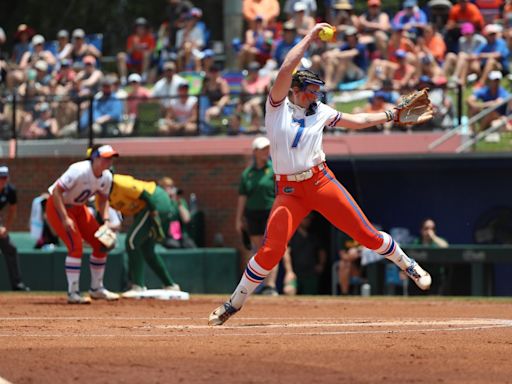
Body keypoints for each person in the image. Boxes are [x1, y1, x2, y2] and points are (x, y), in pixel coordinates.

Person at [209, 23, 432, 326]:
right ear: (295, 90)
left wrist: (390, 114)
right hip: (288, 191)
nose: (314, 95)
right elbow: (287, 68)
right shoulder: (277, 108)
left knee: (365, 234)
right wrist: (310, 37)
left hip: (319, 181)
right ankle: (233, 304)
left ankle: (409, 265)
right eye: (310, 90)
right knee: (271, 250)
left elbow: (357, 120)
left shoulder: (321, 110)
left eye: (317, 91)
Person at [46, 144, 120, 304]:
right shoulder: (79, 170)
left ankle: (96, 289)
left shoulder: (107, 176)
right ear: (95, 158)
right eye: (105, 158)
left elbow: (103, 201)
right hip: (58, 206)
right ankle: (73, 293)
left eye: (111, 158)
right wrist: (65, 218)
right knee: (76, 246)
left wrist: (106, 221)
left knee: (101, 244)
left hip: (79, 208)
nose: (109, 161)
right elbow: (56, 192)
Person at [106, 173, 182, 298]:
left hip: (155, 201)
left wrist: (155, 216)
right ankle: (171, 285)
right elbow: (110, 214)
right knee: (147, 250)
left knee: (131, 241)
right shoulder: (101, 195)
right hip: (143, 209)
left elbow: (145, 195)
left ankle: (138, 286)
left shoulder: (119, 182)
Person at [235, 136, 279, 295]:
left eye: (267, 149)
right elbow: (242, 197)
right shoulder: (248, 174)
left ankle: (271, 285)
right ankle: (257, 285)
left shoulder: (274, 169)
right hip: (252, 214)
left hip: (270, 212)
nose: (265, 152)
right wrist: (238, 219)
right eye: (262, 149)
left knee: (271, 248)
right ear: (254, 151)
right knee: (259, 250)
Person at [0, 166, 30, 291]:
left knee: (10, 248)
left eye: (4, 177)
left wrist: (6, 229)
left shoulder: (10, 190)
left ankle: (17, 284)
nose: (2, 180)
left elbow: (13, 211)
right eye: (0, 177)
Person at [157, 176, 196, 249]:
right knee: (173, 245)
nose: (169, 190)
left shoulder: (180, 202)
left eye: (171, 187)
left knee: (190, 245)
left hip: (181, 236)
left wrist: (178, 202)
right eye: (166, 188)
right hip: (166, 236)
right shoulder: (160, 203)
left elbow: (186, 219)